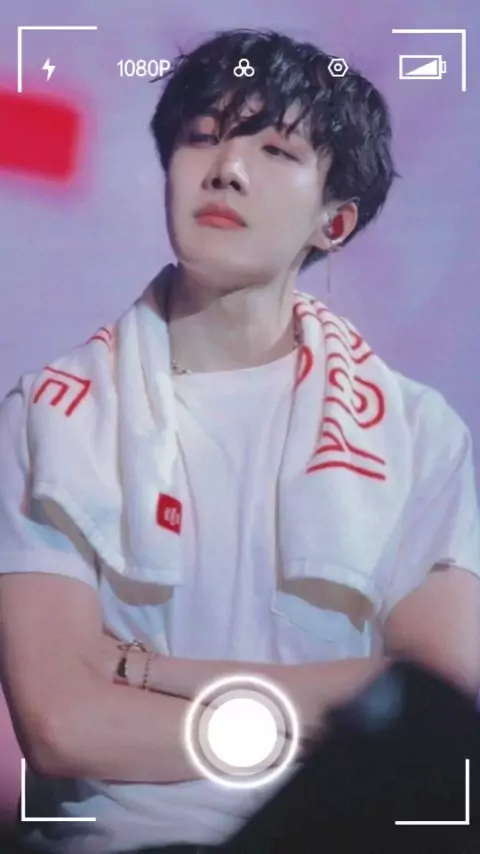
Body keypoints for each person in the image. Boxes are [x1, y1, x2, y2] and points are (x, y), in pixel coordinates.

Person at [1, 27, 480, 854]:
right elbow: (64, 727)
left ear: (335, 220)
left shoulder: (418, 432)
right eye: (202, 137)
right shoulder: (51, 414)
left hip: (337, 831)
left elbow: (431, 710)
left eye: (276, 150)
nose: (226, 168)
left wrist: (149, 674)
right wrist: (324, 719)